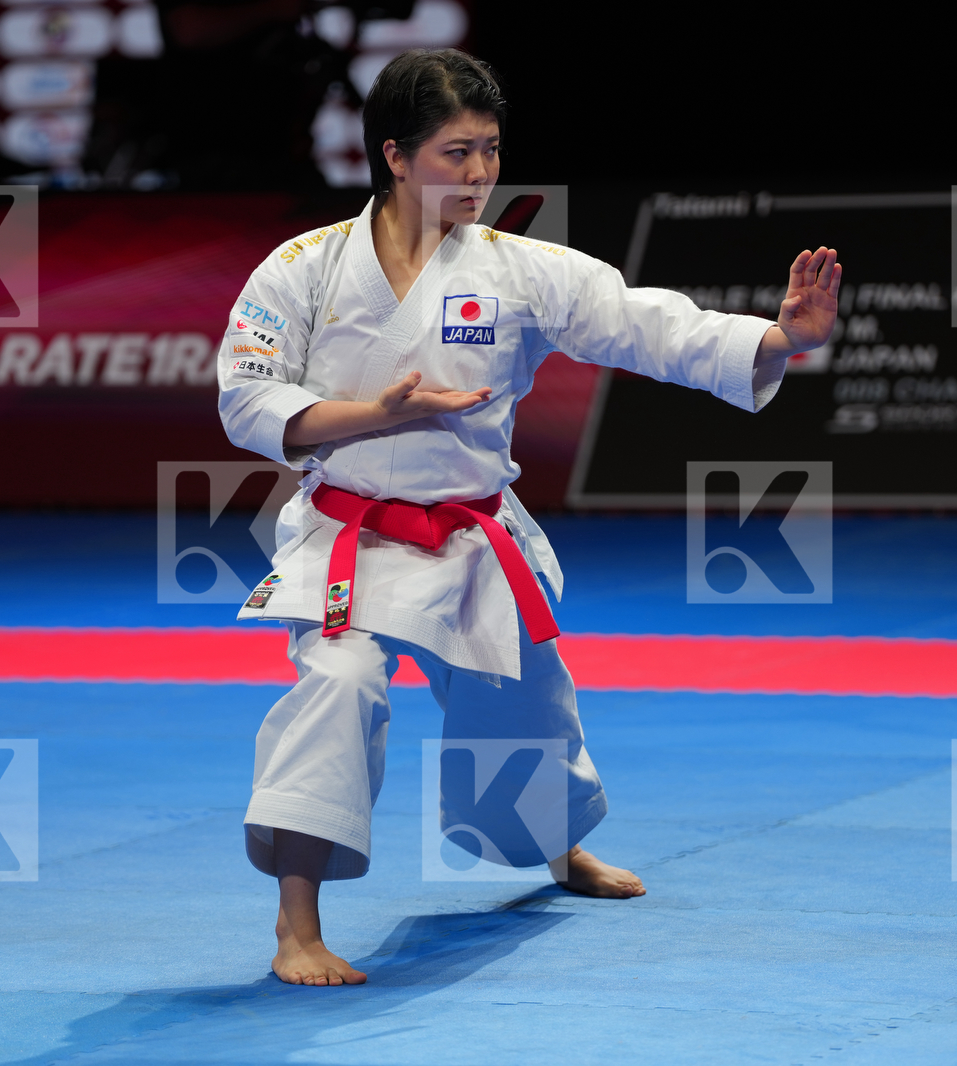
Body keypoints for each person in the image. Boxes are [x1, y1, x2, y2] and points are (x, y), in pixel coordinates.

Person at [217, 48, 841, 987]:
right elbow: (246, 397)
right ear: (395, 155)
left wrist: (779, 336)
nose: (478, 174)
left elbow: (642, 321)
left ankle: (556, 853)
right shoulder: (302, 268)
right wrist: (378, 416)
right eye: (455, 153)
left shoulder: (517, 268)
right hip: (351, 535)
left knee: (528, 706)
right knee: (338, 685)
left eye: (490, 152)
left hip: (471, 536)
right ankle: (296, 925)